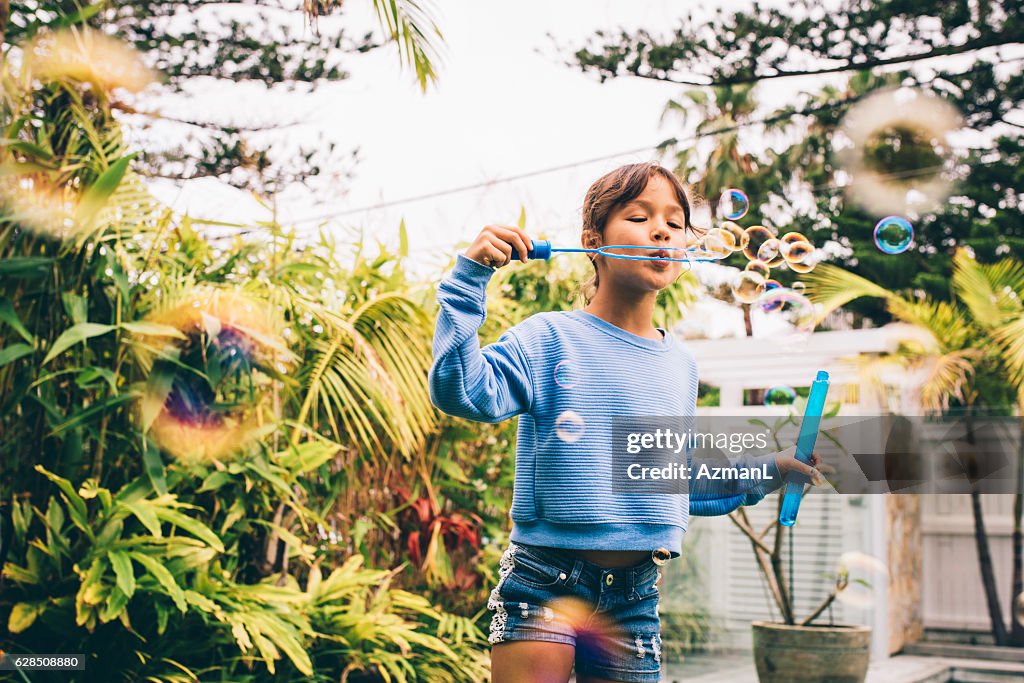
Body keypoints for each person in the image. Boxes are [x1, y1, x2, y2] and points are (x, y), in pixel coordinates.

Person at [428, 162, 821, 683]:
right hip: (546, 579)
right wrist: (469, 280)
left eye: (675, 222)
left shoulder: (679, 364)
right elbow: (462, 392)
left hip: (635, 595)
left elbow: (666, 479)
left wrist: (764, 470)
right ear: (593, 241)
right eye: (639, 217)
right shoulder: (548, 339)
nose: (661, 229)